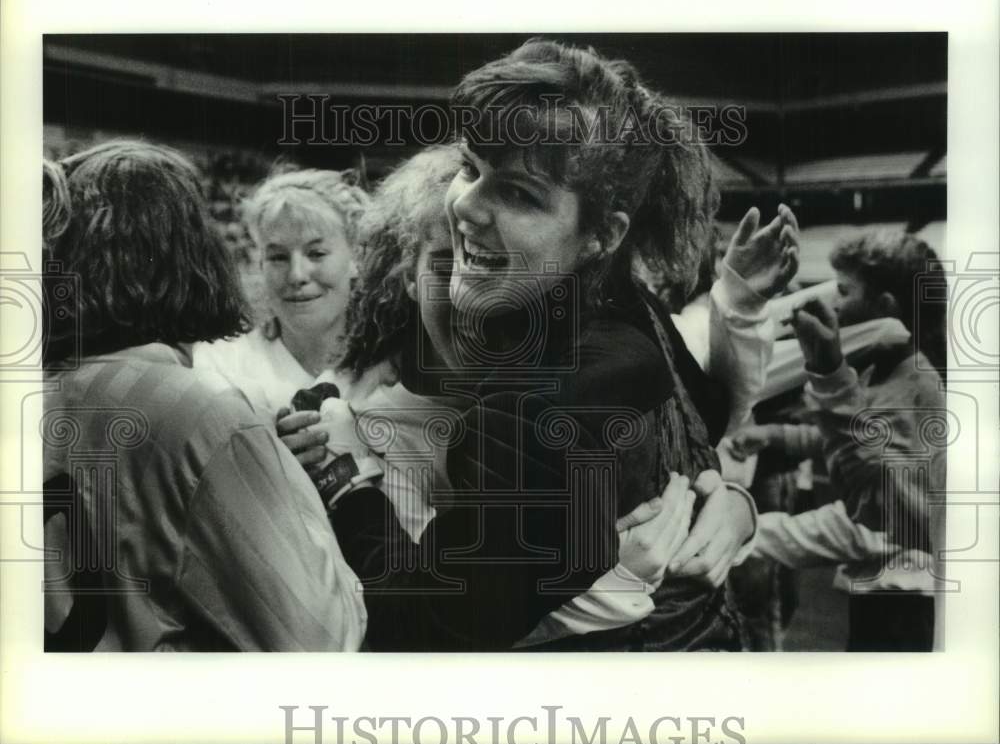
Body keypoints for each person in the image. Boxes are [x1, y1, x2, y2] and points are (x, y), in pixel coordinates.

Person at [320, 39, 798, 651]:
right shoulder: (622, 309)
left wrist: (346, 484)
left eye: (518, 194)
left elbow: (427, 628)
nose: (467, 204)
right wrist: (728, 497)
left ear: (601, 235)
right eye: (471, 167)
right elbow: (694, 427)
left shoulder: (544, 398)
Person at [42, 141, 366, 651]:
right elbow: (323, 636)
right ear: (192, 248)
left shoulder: (31, 395)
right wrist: (285, 478)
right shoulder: (206, 409)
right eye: (275, 256)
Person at [735, 230, 947, 650]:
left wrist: (830, 370)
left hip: (902, 598)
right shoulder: (890, 371)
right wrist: (775, 435)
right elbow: (857, 443)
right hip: (889, 587)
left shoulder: (915, 385)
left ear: (885, 308)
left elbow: (879, 501)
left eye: (844, 291)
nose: (834, 302)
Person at [192, 168, 370, 421]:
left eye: (316, 253)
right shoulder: (220, 366)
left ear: (356, 257)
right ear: (260, 263)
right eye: (278, 257)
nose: (296, 275)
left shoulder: (389, 368)